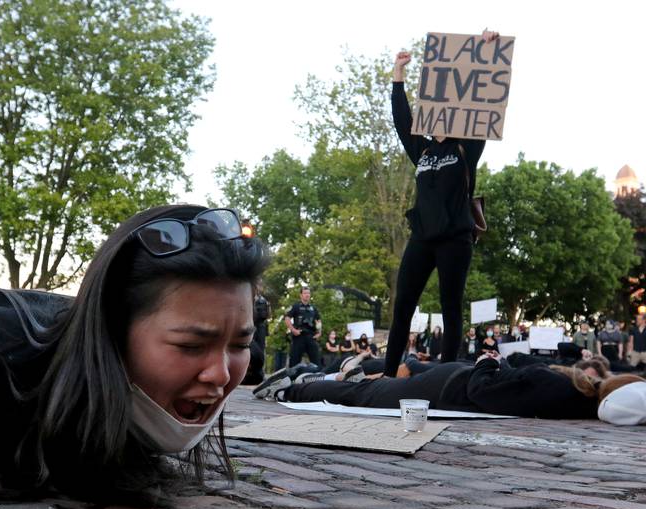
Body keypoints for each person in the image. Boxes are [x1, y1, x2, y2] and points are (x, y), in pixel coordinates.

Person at [0, 205, 268, 502]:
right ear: (111, 331)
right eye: (191, 346)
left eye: (239, 344)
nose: (219, 374)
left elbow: (62, 309)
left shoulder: (95, 359)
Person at [383, 30, 500, 377]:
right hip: (422, 237)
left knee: (451, 306)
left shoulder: (466, 147)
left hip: (455, 237)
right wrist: (398, 74)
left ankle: (447, 375)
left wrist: (485, 51)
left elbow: (484, 102)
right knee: (403, 305)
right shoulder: (422, 150)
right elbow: (400, 118)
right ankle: (388, 374)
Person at [254, 352, 646, 422]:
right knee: (369, 394)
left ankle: (295, 387)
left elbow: (483, 388)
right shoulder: (570, 400)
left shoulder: (561, 387)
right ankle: (297, 387)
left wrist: (487, 362)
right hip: (448, 387)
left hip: (453, 386)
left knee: (369, 394)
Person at [285, 287, 323, 367]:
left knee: (317, 361)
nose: (307, 295)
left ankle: (318, 377)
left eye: (308, 293)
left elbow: (318, 321)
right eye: (305, 293)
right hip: (299, 336)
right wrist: (293, 330)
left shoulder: (313, 308)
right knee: (294, 362)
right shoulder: (296, 306)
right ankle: (292, 378)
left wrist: (319, 332)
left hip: (311, 336)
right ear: (301, 295)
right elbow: (287, 318)